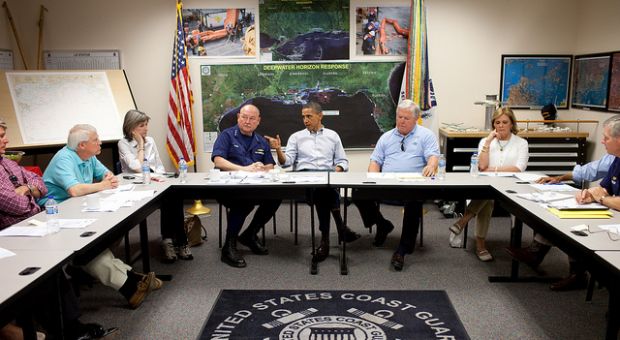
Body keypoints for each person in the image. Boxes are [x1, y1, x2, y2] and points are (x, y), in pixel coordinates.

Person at [0, 118, 113, 340]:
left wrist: (27, 189)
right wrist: (28, 194)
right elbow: (16, 203)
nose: (7, 140)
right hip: (12, 231)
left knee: (52, 268)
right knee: (42, 272)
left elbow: (37, 181)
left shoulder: (7, 163)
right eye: (1, 136)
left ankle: (69, 325)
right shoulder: (63, 159)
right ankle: (65, 328)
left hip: (30, 224)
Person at [41, 124, 159, 309]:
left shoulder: (89, 156)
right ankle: (130, 284)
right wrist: (103, 185)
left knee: (110, 230)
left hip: (80, 208)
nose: (100, 142)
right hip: (56, 214)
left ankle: (131, 278)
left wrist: (108, 179)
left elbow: (108, 176)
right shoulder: (63, 158)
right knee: (90, 247)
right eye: (95, 139)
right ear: (81, 145)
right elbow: (75, 190)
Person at [265, 102, 360, 262]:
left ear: (320, 116)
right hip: (304, 179)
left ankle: (325, 241)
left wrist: (335, 172)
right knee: (324, 191)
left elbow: (343, 161)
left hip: (327, 178)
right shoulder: (296, 137)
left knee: (324, 190)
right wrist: (279, 150)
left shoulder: (333, 136)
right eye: (303, 117)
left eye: (309, 116)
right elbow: (286, 163)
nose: (305, 120)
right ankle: (340, 227)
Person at [506, 153, 614, 291]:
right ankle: (542, 255)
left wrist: (602, 199)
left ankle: (574, 273)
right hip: (611, 211)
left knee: (576, 224)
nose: (603, 141)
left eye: (607, 138)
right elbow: (591, 173)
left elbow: (604, 193)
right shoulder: (614, 159)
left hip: (613, 216)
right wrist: (588, 193)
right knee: (561, 214)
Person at [353, 99, 439, 271]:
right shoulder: (387, 137)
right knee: (358, 193)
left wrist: (431, 165)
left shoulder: (426, 135)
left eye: (406, 118)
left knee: (413, 201)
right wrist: (372, 179)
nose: (401, 121)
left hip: (412, 186)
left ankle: (403, 249)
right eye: (399, 117)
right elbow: (375, 161)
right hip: (387, 184)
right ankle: (382, 224)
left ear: (416, 119)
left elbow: (433, 157)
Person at [450, 107, 529, 261]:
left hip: (510, 185)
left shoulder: (521, 143)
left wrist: (494, 169)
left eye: (505, 122)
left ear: (512, 124)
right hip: (488, 184)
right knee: (487, 199)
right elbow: (481, 166)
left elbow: (518, 169)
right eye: (497, 122)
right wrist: (487, 141)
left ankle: (463, 221)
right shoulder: (486, 141)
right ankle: (480, 245)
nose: (500, 125)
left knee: (487, 195)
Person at [118, 109, 193, 263]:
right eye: (141, 125)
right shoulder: (123, 143)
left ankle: (177, 241)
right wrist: (140, 144)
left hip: (155, 181)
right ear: (131, 128)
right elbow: (136, 167)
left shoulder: (150, 140)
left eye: (146, 124)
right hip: (137, 185)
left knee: (174, 196)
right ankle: (170, 241)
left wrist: (163, 179)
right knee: (168, 200)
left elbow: (158, 165)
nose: (146, 128)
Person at [211, 104, 281, 268]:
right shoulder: (227, 136)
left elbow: (270, 165)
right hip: (229, 188)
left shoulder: (261, 141)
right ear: (238, 117)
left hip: (254, 187)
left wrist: (263, 168)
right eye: (244, 117)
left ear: (258, 121)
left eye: (251, 118)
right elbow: (218, 160)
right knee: (244, 201)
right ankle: (229, 246)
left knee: (276, 196)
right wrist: (245, 169)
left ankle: (250, 234)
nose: (247, 121)